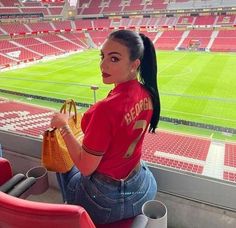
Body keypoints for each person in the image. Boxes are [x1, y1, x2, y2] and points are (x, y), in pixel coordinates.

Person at [50, 29, 161, 224]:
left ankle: (71, 208)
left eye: (114, 59)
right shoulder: (147, 93)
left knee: (64, 163)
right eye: (103, 56)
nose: (103, 65)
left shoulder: (105, 110)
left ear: (134, 65)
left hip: (106, 201)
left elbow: (85, 168)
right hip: (143, 186)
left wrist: (63, 126)